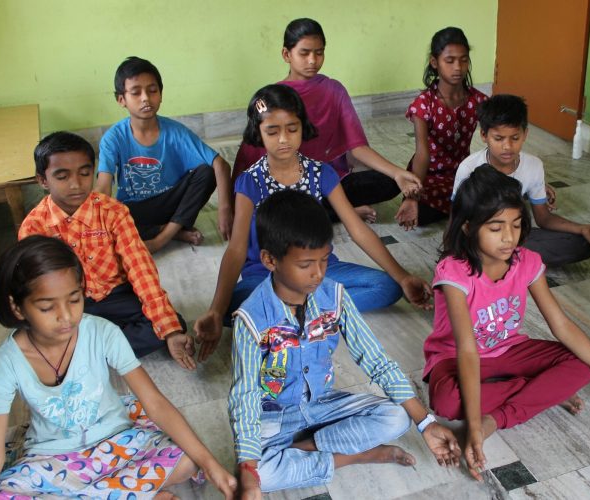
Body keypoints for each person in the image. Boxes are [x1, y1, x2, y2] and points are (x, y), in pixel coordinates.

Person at [0, 236, 236, 499]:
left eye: (74, 299)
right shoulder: (6, 362)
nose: (67, 316)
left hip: (120, 440)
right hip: (55, 458)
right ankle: (132, 493)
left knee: (187, 461)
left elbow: (154, 402)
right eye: (47, 307)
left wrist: (210, 464)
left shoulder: (102, 332)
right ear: (17, 307)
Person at [229, 190, 460, 495]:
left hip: (323, 405)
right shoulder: (249, 319)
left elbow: (376, 360)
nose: (318, 273)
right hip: (274, 415)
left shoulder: (334, 295)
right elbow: (244, 396)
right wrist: (248, 469)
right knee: (260, 478)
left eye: (324, 260)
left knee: (398, 417)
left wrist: (427, 424)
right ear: (270, 260)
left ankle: (307, 447)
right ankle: (356, 455)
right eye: (305, 264)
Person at [426, 165, 590, 481]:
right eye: (495, 227)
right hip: (454, 357)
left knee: (586, 363)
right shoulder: (453, 272)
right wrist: (472, 425)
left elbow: (561, 325)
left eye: (516, 225)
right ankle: (546, 391)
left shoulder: (526, 261)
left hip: (510, 349)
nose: (508, 237)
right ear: (467, 228)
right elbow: (466, 350)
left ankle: (503, 415)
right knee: (447, 401)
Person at [194, 84, 432, 363]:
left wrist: (402, 276)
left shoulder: (321, 173)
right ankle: (316, 313)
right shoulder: (250, 181)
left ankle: (293, 316)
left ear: (302, 127)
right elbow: (236, 250)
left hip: (322, 270)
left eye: (292, 129)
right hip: (266, 276)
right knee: (231, 307)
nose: (284, 139)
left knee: (387, 288)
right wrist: (214, 309)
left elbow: (357, 229)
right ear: (257, 133)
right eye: (272, 131)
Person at [19, 131, 197, 367]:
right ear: (42, 180)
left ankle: (82, 353)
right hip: (69, 303)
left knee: (171, 324)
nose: (76, 184)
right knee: (40, 331)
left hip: (116, 294)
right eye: (62, 176)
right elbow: (39, 290)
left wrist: (169, 330)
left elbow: (140, 269)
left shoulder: (113, 212)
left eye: (85, 174)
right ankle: (95, 347)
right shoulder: (34, 227)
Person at [232, 18, 422, 222]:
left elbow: (356, 146)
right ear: (287, 54)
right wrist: (230, 203)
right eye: (304, 53)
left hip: (327, 181)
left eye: (319, 52)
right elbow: (250, 152)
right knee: (273, 205)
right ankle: (340, 212)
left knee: (388, 181)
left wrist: (397, 173)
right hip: (285, 184)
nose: (313, 60)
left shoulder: (334, 90)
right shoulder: (273, 97)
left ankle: (330, 210)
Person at [453, 94, 590, 267]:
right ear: (484, 135)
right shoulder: (469, 168)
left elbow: (544, 218)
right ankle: (506, 261)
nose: (507, 146)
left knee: (581, 244)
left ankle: (505, 261)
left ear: (525, 134)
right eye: (498, 139)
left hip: (514, 235)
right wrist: (453, 256)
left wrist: (582, 228)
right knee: (477, 247)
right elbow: (457, 220)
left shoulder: (534, 165)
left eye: (515, 138)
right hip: (482, 237)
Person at [95, 56, 233, 253]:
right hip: (135, 210)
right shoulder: (113, 138)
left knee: (206, 172)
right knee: (112, 219)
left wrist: (224, 209)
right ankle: (174, 231)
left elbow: (220, 165)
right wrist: (94, 216)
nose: (145, 98)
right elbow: (103, 185)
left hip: (172, 203)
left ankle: (161, 239)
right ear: (121, 100)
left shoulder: (175, 132)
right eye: (136, 93)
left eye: (152, 91)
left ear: (160, 93)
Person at [396, 26, 489, 229]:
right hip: (428, 176)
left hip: (462, 173)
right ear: (434, 62)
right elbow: (422, 154)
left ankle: (459, 207)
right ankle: (457, 208)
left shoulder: (479, 100)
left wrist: (528, 179)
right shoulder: (423, 104)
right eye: (450, 60)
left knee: (488, 190)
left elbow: (499, 141)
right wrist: (413, 197)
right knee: (419, 213)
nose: (458, 67)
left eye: (464, 60)